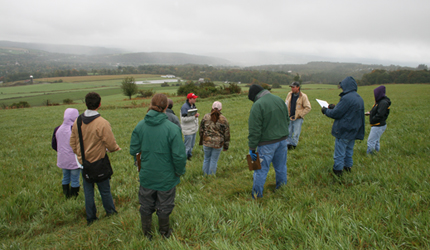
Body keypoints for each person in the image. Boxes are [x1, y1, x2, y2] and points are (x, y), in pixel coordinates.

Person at [130, 93, 187, 239]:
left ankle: (147, 234)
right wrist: (179, 172)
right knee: (165, 205)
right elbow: (179, 156)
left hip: (147, 174)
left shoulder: (140, 126)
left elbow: (134, 150)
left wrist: (141, 164)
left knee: (146, 204)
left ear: (151, 104)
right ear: (166, 106)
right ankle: (164, 233)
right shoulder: (172, 129)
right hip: (166, 176)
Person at [70, 92, 121, 225]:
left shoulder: (78, 121)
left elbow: (72, 142)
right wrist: (115, 148)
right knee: (104, 190)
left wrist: (80, 156)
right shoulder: (102, 123)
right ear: (99, 104)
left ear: (86, 104)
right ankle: (110, 212)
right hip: (99, 162)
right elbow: (110, 143)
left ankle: (91, 218)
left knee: (88, 192)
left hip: (84, 164)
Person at [248, 84, 290, 198]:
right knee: (281, 167)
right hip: (283, 141)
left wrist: (252, 148)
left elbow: (254, 130)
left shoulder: (258, 105)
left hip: (266, 144)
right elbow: (287, 120)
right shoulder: (279, 100)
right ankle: (282, 190)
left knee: (260, 170)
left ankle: (257, 196)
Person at [321, 76, 365, 177]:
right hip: (354, 130)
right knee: (349, 150)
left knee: (339, 153)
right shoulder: (358, 98)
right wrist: (334, 107)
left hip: (344, 130)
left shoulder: (346, 98)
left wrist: (325, 111)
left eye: (342, 87)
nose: (342, 89)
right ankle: (348, 167)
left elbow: (336, 114)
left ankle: (338, 172)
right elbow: (347, 111)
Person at [52, 108, 81, 199]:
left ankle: (66, 195)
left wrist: (61, 151)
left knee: (65, 177)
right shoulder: (75, 129)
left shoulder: (58, 128)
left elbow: (54, 144)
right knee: (75, 179)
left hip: (62, 158)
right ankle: (74, 197)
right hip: (74, 159)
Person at [199, 101, 230, 175]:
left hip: (206, 142)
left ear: (212, 107)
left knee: (206, 159)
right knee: (213, 160)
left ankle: (205, 175)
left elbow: (201, 129)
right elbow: (227, 134)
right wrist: (226, 146)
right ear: (221, 108)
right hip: (218, 143)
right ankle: (211, 177)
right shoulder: (224, 119)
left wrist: (202, 139)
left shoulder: (205, 117)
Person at [285, 82, 312, 149]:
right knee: (288, 132)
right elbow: (286, 104)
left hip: (298, 118)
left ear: (298, 87)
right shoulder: (289, 94)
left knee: (296, 133)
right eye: (291, 87)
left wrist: (300, 115)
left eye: (293, 87)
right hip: (289, 116)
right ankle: (288, 144)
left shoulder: (303, 96)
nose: (292, 89)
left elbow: (308, 107)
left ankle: (294, 145)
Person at [366, 85, 391, 154]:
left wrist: (373, 119)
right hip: (377, 124)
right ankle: (376, 153)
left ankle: (370, 155)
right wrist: (370, 113)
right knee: (376, 141)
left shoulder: (383, 103)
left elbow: (380, 114)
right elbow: (376, 111)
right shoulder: (380, 101)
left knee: (371, 141)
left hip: (378, 125)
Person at [180, 93, 200, 160]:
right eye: (194, 98)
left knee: (192, 145)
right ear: (189, 99)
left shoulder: (193, 106)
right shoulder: (184, 107)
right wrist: (194, 117)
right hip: (188, 130)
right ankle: (184, 158)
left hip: (193, 129)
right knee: (187, 146)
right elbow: (184, 119)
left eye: (195, 98)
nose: (195, 99)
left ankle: (189, 155)